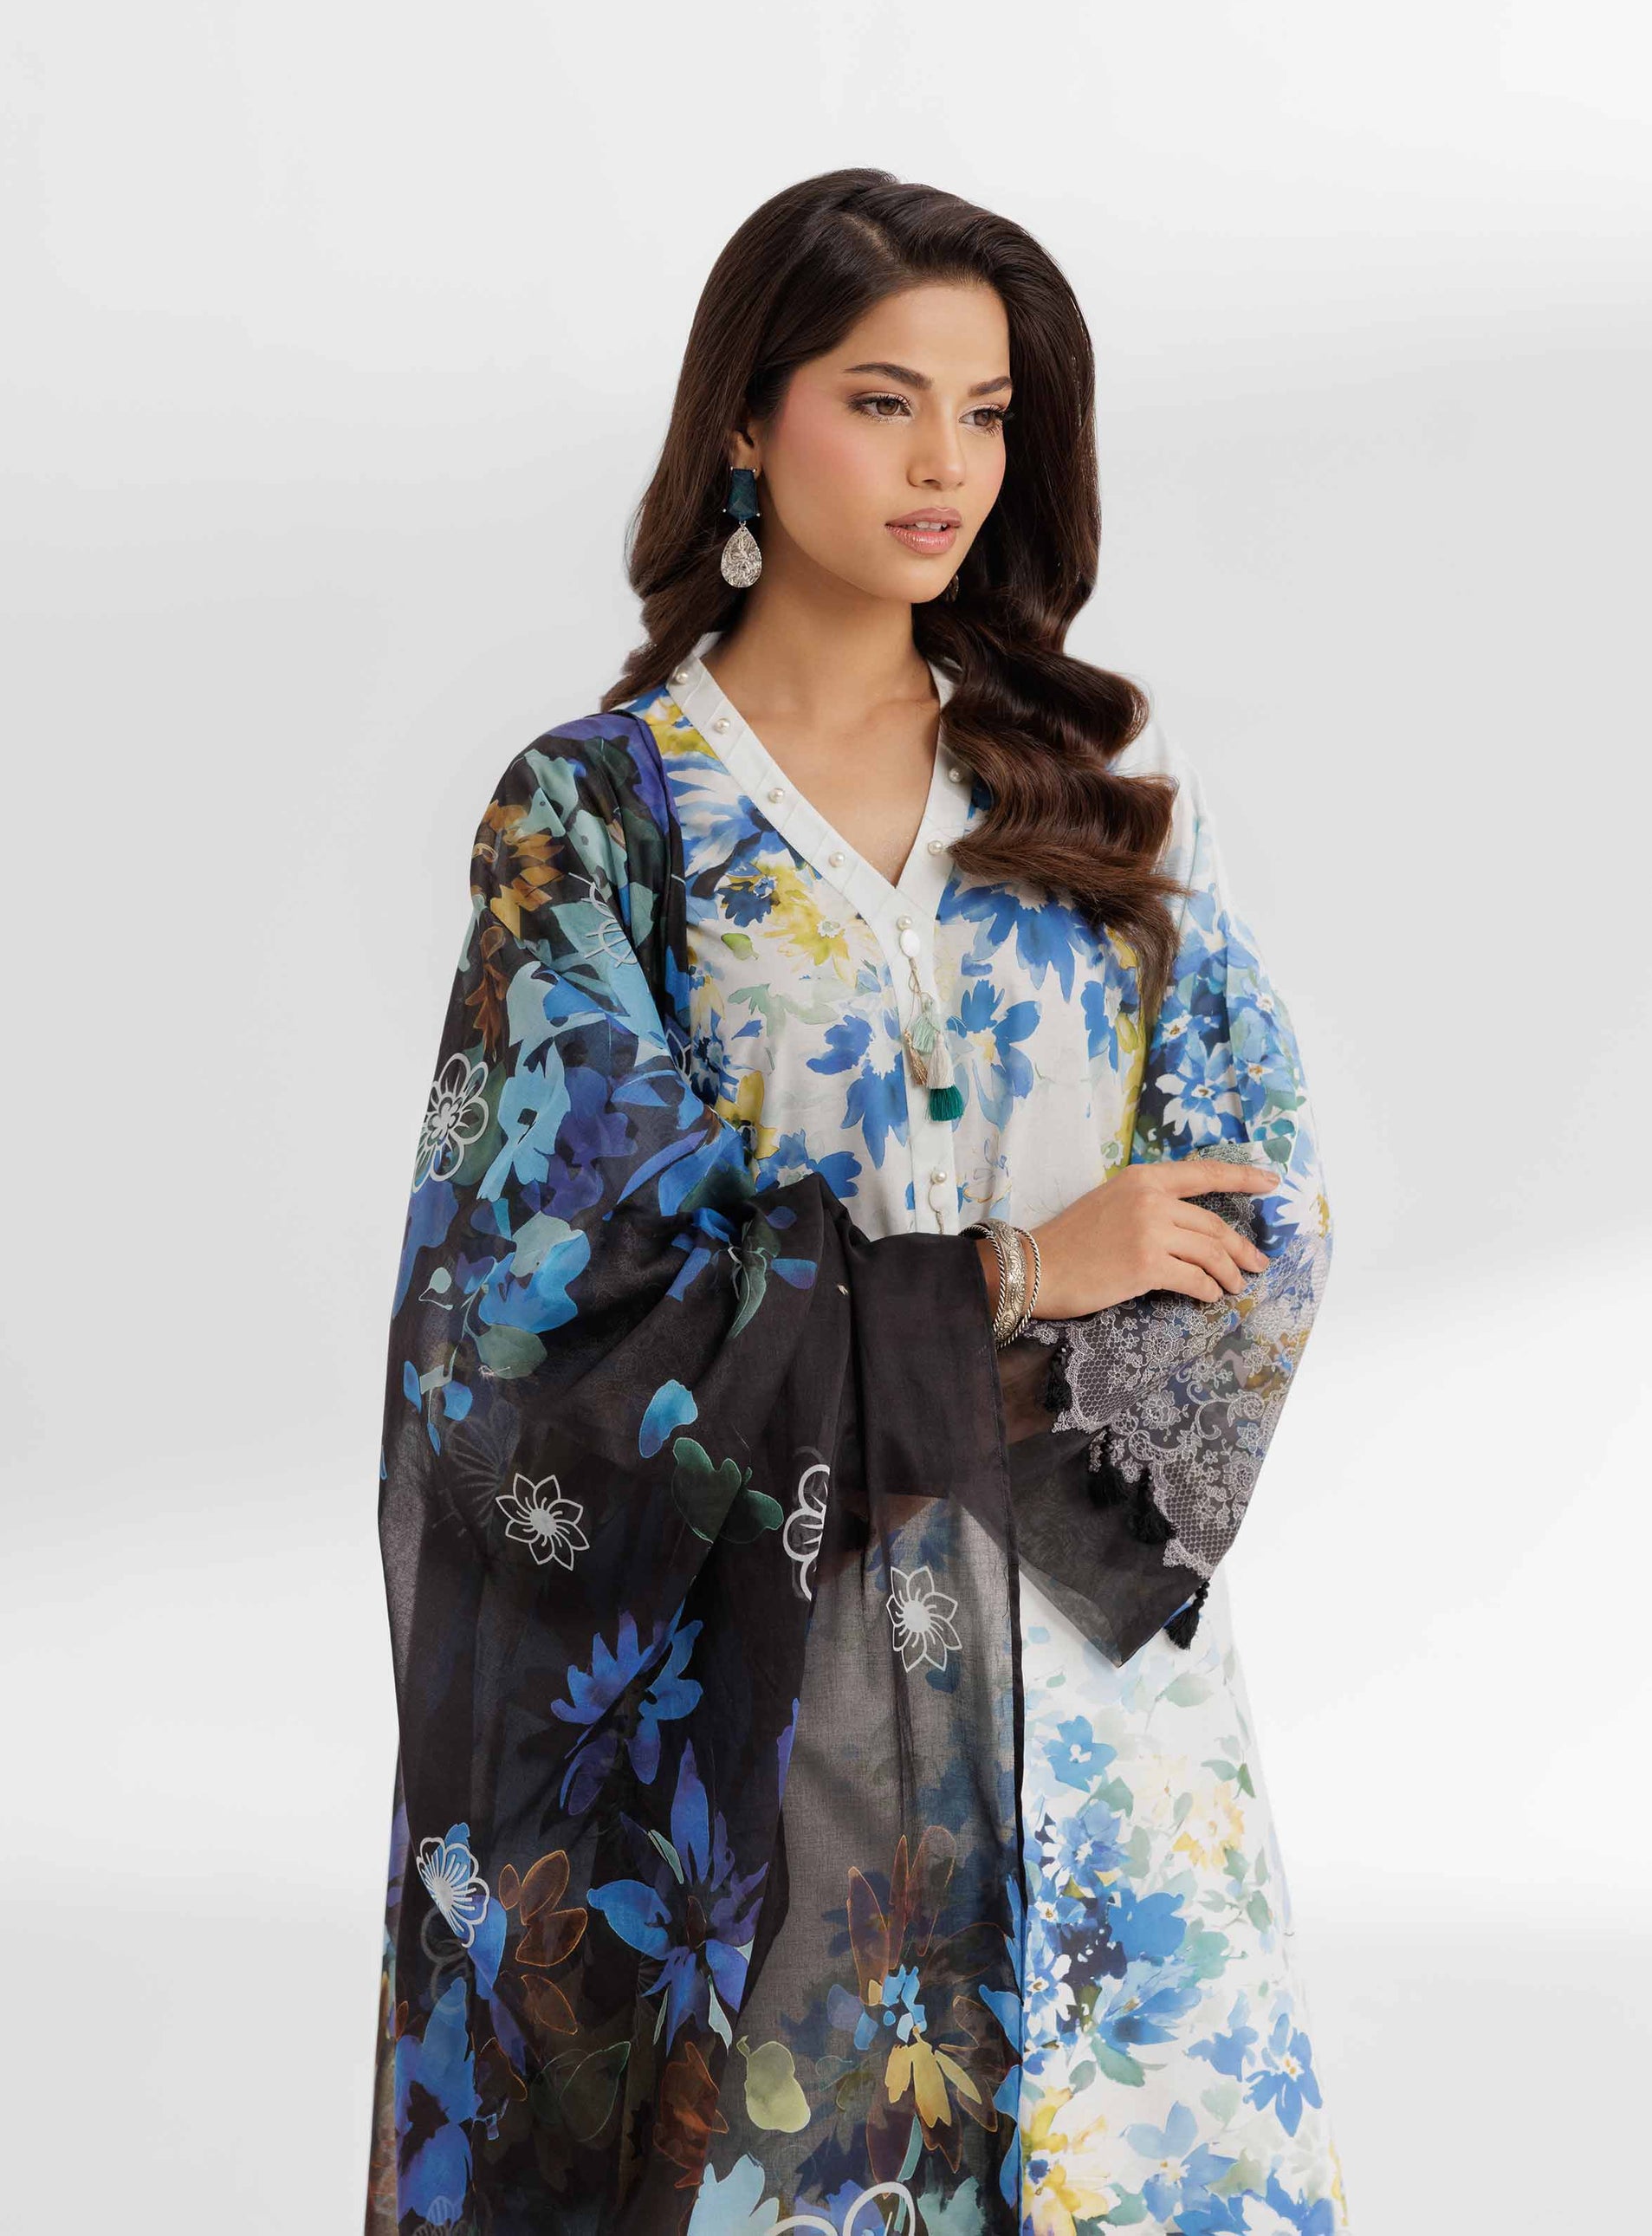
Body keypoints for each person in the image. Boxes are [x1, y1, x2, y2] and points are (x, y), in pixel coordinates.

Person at [365, 168, 1345, 2236]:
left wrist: (994, 1425)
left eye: (986, 414)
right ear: (746, 417)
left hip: (1103, 1721)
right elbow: (543, 1295)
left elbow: (1254, 1208)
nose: (944, 467)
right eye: (882, 401)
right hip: (778, 1707)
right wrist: (1012, 1273)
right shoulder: (605, 818)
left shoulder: (1089, 793)